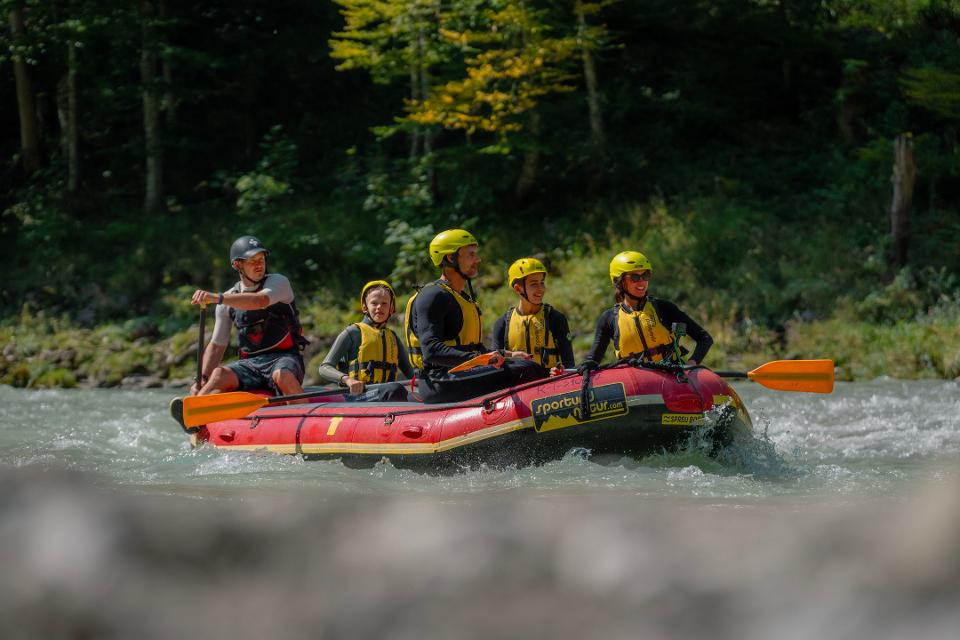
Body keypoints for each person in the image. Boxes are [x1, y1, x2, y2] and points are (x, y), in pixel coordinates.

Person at [404, 229, 544, 404]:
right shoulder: (433, 295)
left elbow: (469, 348)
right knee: (526, 370)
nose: (478, 259)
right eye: (471, 255)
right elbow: (431, 351)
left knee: (526, 364)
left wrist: (507, 354)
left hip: (458, 374)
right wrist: (479, 360)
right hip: (438, 381)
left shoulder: (462, 297)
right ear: (450, 258)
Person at [189, 235, 308, 397]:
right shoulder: (226, 302)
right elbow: (217, 346)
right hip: (249, 365)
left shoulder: (279, 282)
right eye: (252, 260)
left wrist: (217, 298)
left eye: (261, 259)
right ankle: (196, 406)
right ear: (237, 265)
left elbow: (260, 300)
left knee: (282, 375)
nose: (259, 264)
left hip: (285, 358)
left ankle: (301, 409)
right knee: (218, 375)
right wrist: (202, 379)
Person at [583, 251, 712, 368]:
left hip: (670, 375)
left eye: (645, 275)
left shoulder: (663, 307)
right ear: (619, 281)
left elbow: (704, 338)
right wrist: (585, 366)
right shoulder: (609, 318)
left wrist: (691, 363)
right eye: (634, 277)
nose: (642, 282)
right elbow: (593, 360)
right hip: (636, 382)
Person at [316, 280, 413, 402]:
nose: (379, 307)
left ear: (391, 308)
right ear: (364, 307)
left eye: (384, 303)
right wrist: (348, 380)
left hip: (386, 393)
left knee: (412, 395)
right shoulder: (353, 332)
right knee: (395, 390)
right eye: (374, 303)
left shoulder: (393, 338)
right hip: (358, 396)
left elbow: (412, 375)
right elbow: (324, 367)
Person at [491, 257, 575, 375]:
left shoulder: (555, 319)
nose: (541, 289)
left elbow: (569, 365)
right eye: (534, 284)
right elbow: (493, 363)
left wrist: (557, 371)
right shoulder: (502, 323)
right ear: (518, 288)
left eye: (542, 283)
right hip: (517, 383)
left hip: (549, 382)